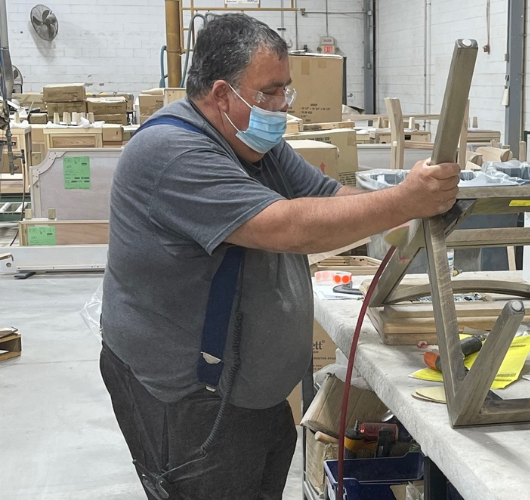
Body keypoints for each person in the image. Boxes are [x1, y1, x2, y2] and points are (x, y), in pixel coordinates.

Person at [99, 13, 460, 500]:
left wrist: (398, 217)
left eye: (285, 90)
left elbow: (331, 196)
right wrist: (402, 201)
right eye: (269, 92)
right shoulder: (172, 153)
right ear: (223, 95)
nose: (282, 106)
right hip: (190, 398)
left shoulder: (253, 145)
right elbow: (286, 227)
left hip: (251, 390)